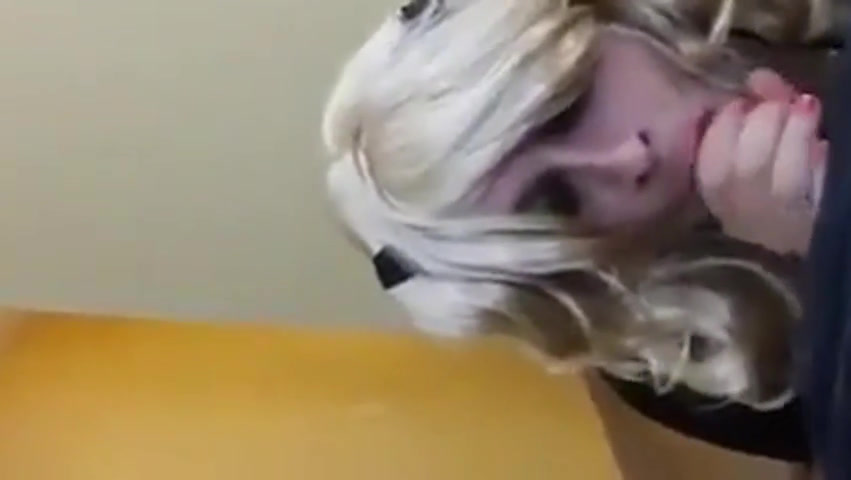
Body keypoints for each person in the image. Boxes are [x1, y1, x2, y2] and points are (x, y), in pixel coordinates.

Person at [321, 0, 843, 469]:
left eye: (571, 107)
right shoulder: (701, 360)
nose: (628, 158)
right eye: (560, 201)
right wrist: (824, 247)